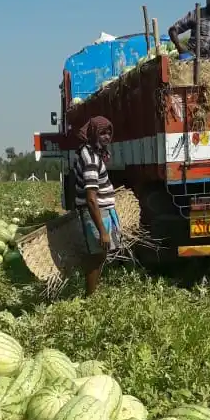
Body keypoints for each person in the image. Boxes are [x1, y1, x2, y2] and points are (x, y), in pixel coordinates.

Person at [74, 115, 121, 296]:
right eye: (102, 133)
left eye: (109, 132)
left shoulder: (92, 152)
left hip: (101, 211)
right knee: (96, 256)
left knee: (100, 254)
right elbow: (91, 198)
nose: (107, 136)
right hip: (96, 213)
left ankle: (92, 294)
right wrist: (102, 230)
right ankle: (90, 298)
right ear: (93, 133)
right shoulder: (91, 160)